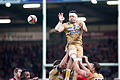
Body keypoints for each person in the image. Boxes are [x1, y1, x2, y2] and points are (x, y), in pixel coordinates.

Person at [55, 10, 87, 80]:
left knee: (77, 63)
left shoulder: (80, 23)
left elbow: (85, 30)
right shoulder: (66, 25)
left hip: (79, 46)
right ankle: (67, 76)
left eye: (73, 16)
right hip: (71, 45)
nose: (71, 18)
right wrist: (60, 22)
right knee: (73, 57)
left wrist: (83, 25)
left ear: (76, 17)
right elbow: (57, 30)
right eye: (70, 16)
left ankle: (73, 78)